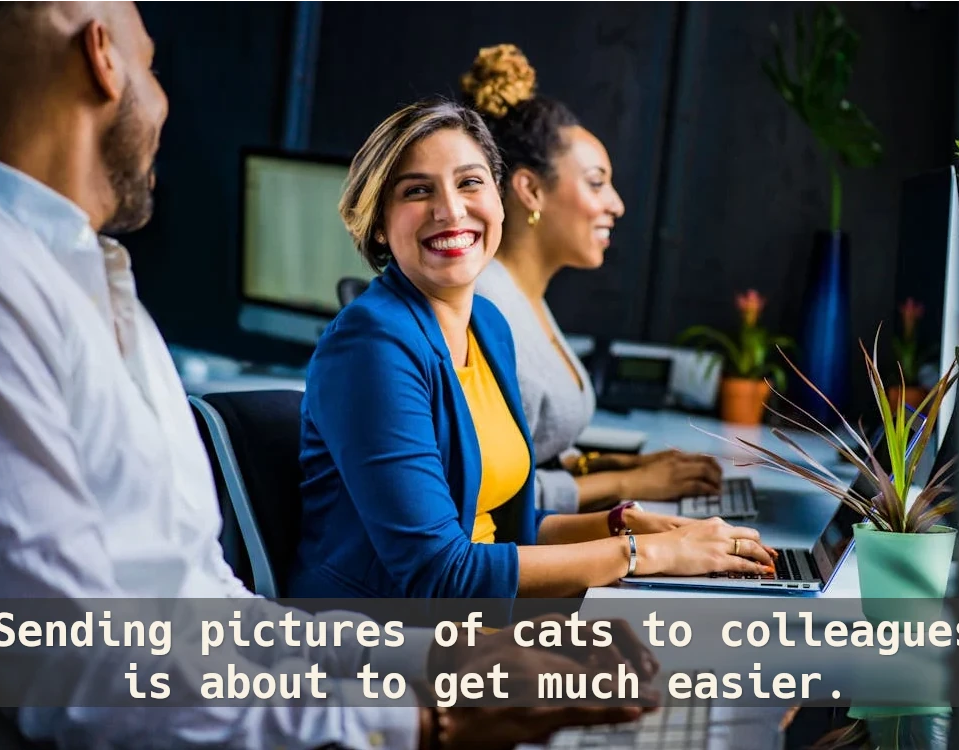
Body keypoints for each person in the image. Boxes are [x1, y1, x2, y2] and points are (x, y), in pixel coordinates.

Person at [0, 2, 656, 747]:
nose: (163, 103)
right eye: (153, 66)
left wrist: (438, 657)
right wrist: (423, 719)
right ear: (103, 57)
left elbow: (205, 611)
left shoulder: (85, 276)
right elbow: (61, 666)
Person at [289, 99, 776, 602]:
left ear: (500, 200)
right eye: (417, 191)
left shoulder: (488, 326)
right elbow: (440, 573)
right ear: (377, 225)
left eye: (470, 182)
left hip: (474, 622)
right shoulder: (371, 346)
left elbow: (505, 531)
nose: (451, 209)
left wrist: (622, 525)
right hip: (373, 639)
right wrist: (644, 554)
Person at [465, 44, 726, 515]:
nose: (616, 204)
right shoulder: (487, 309)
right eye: (596, 182)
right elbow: (492, 497)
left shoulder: (525, 298)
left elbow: (534, 453)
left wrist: (615, 465)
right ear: (530, 189)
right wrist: (628, 482)